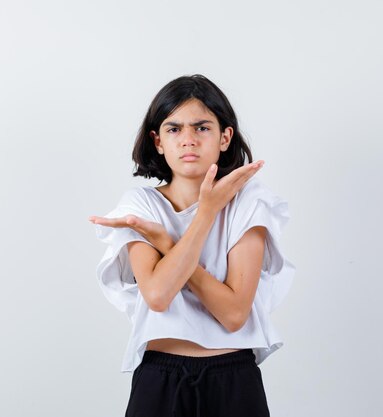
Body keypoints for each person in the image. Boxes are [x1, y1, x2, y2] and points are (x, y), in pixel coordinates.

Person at [89, 74, 296, 417]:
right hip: (160, 378)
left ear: (225, 137)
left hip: (234, 378)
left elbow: (233, 315)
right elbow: (157, 295)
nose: (188, 140)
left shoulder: (250, 202)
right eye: (174, 129)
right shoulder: (140, 205)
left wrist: (167, 245)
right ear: (157, 141)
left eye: (202, 128)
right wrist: (207, 213)